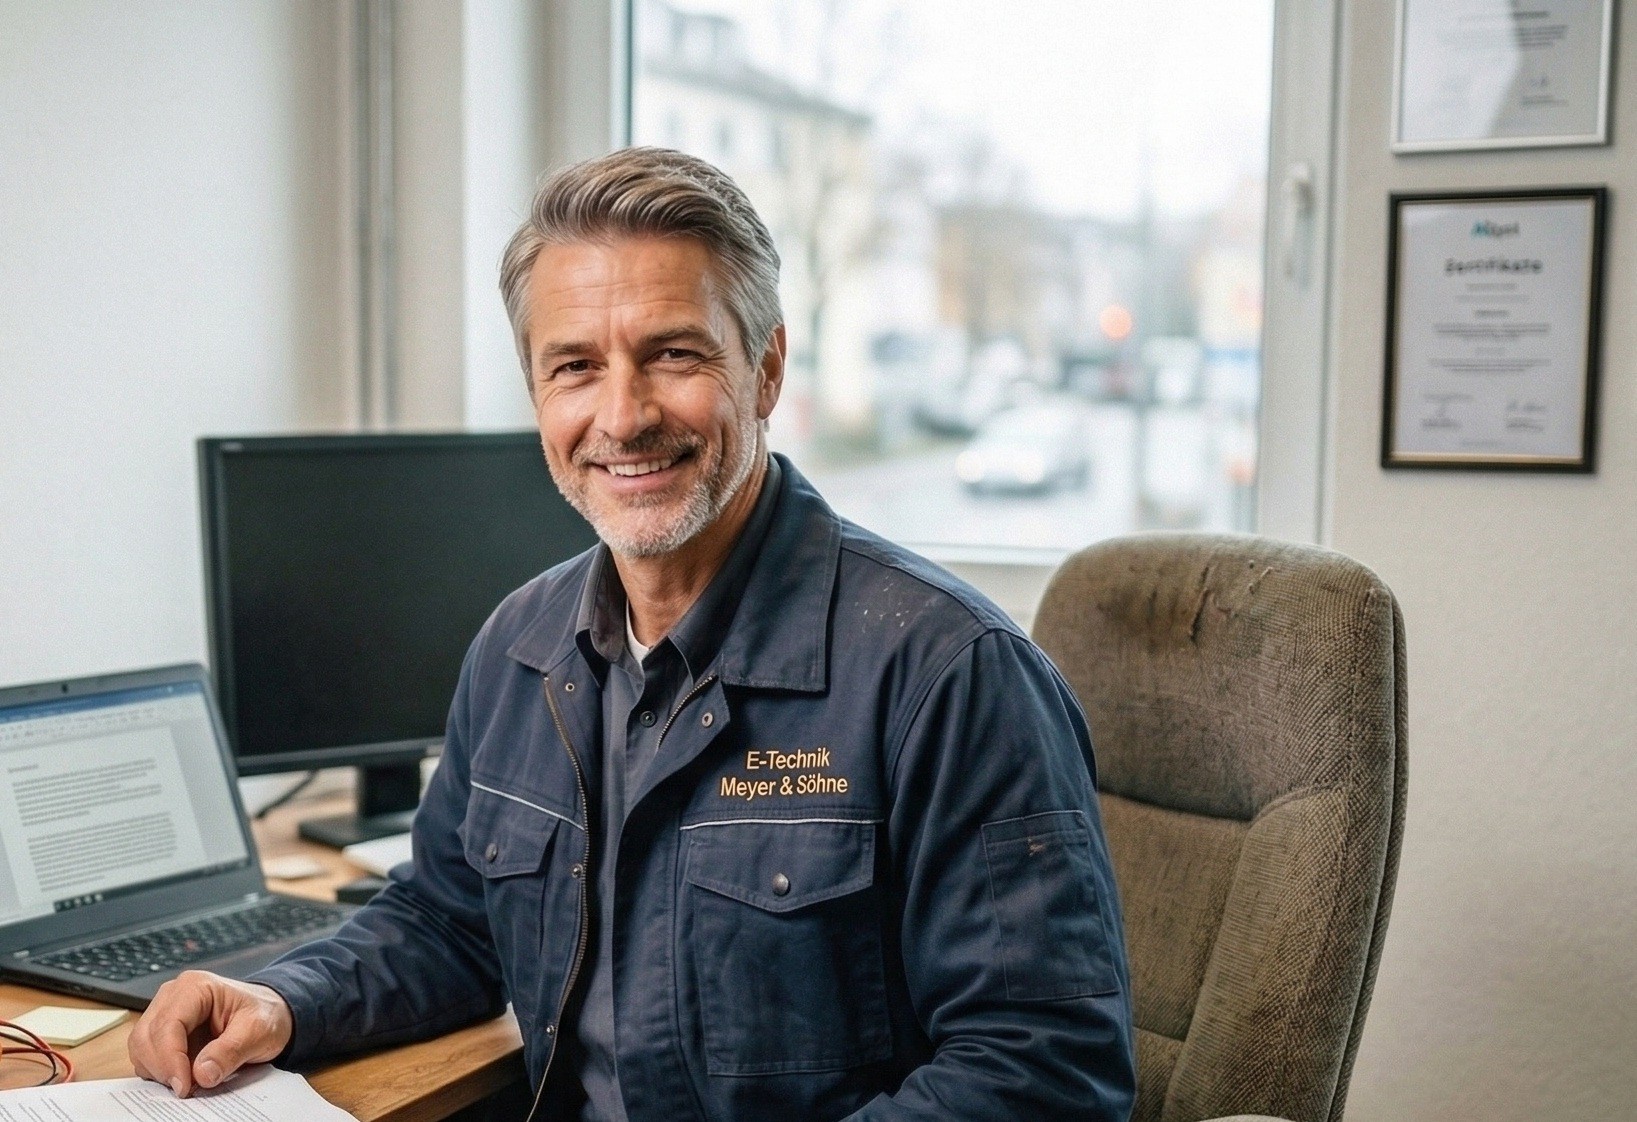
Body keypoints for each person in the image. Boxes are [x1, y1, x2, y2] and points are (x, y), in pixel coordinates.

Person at [128, 147, 1135, 1121]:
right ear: (536, 395)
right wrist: (283, 999)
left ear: (766, 368)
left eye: (672, 354)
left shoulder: (947, 674)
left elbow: (1041, 1076)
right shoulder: (521, 646)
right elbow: (448, 921)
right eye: (574, 367)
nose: (622, 414)